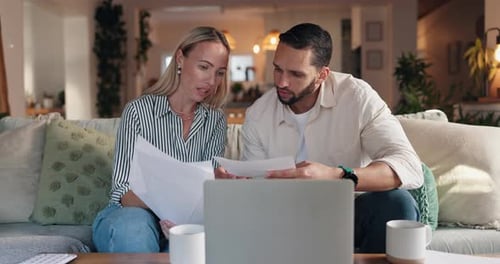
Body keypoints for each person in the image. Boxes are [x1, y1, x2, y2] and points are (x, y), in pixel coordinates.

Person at [239, 23, 424, 253]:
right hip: (286, 219)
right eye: (278, 69)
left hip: (349, 214)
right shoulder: (258, 115)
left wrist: (336, 175)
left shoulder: (358, 97)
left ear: (322, 75)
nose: (281, 82)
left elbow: (409, 166)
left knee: (398, 202)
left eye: (296, 74)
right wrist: (237, 187)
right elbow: (254, 195)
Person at [92, 26, 232, 253]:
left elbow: (207, 192)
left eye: (220, 72)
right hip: (133, 214)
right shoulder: (138, 111)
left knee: (192, 242)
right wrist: (168, 210)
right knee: (133, 229)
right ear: (180, 59)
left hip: (187, 222)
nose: (211, 81)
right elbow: (122, 190)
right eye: (204, 67)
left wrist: (184, 223)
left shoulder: (215, 121)